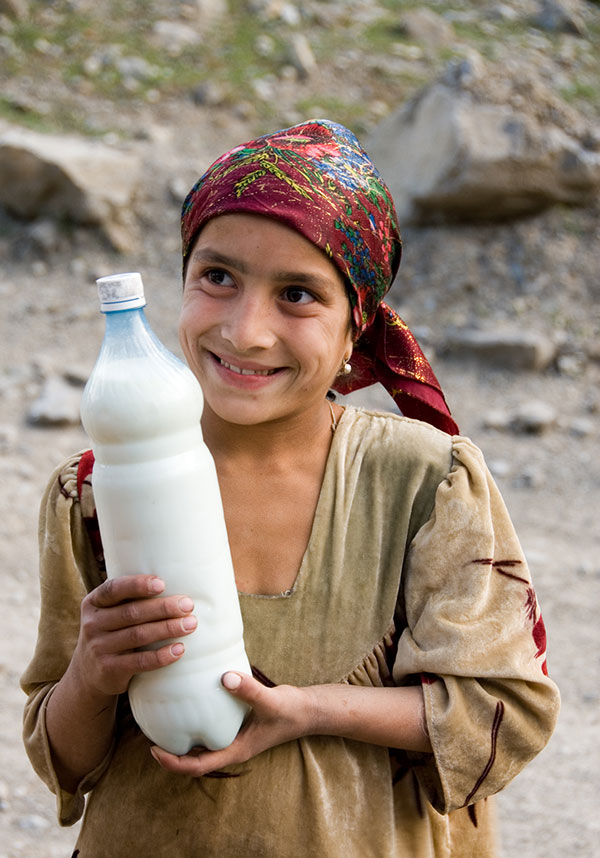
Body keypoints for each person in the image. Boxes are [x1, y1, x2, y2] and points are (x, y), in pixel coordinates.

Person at [21, 120, 559, 858]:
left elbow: (503, 714)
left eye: (298, 295)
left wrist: (308, 711)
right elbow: (63, 759)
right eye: (218, 277)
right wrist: (94, 672)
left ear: (354, 332)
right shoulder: (90, 492)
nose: (245, 332)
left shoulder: (424, 482)